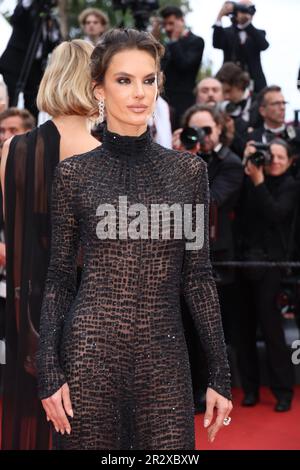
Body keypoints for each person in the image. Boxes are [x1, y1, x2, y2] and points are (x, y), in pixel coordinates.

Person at [37, 28, 232, 451]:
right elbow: (58, 280)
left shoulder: (188, 173)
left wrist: (220, 373)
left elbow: (197, 277)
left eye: (149, 79)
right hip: (89, 353)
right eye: (124, 80)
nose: (140, 92)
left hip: (164, 359)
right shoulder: (74, 174)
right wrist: (49, 371)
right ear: (99, 89)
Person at [0, 39, 100, 450]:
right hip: (93, 303)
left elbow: (14, 229)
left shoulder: (12, 149)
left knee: (42, 423)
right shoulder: (107, 153)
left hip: (31, 305)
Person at [235, 139, 298, 411]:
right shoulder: (250, 179)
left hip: (272, 267)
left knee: (272, 332)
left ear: (290, 161)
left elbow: (275, 214)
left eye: (280, 156)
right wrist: (246, 168)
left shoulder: (291, 186)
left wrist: (259, 181)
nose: (273, 160)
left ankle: (283, 391)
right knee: (244, 331)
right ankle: (249, 389)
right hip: (242, 263)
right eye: (269, 155)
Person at [0, 0, 61, 118]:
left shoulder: (51, 20)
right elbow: (17, 18)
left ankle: (30, 131)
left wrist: (51, 27)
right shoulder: (27, 9)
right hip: (14, 64)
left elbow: (56, 44)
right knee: (9, 98)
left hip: (35, 67)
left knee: (33, 104)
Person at [158, 6, 204, 130]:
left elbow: (185, 65)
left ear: (181, 21)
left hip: (184, 102)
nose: (168, 28)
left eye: (171, 23)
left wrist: (174, 41)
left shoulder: (196, 41)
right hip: (165, 100)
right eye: (165, 24)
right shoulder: (165, 45)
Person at [213, 0, 269, 93]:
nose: (245, 11)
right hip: (229, 81)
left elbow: (264, 45)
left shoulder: (258, 32)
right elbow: (216, 44)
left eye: (248, 9)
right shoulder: (227, 32)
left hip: (254, 82)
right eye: (241, 9)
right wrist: (220, 16)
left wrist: (246, 24)